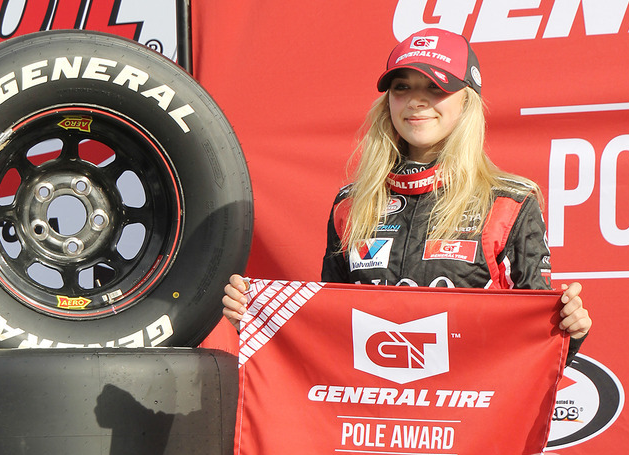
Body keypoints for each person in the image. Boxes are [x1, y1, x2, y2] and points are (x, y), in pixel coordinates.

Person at [223, 28, 591, 362]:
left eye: (436, 88)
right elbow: (329, 331)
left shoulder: (509, 202)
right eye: (402, 87)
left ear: (467, 102)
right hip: (373, 417)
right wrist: (256, 317)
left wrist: (569, 330)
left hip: (467, 415)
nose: (416, 101)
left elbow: (536, 343)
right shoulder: (351, 204)